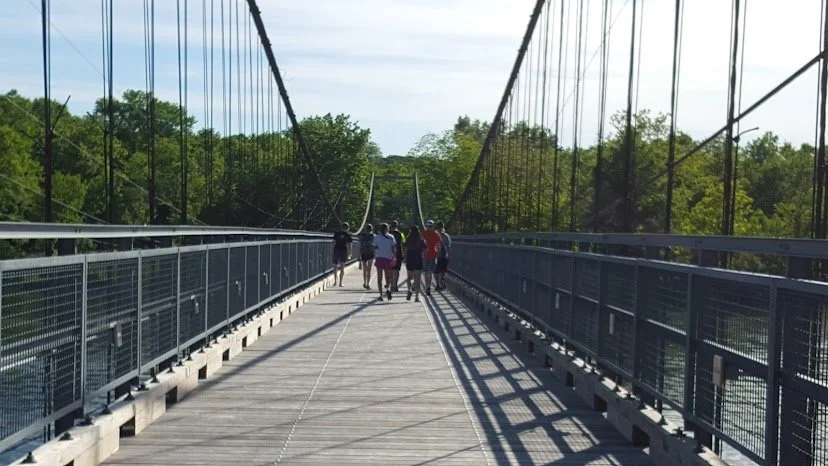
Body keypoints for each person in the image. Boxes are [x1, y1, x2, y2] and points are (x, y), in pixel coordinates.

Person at [372, 223, 397, 301]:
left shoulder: (376, 237)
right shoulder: (391, 237)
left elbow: (374, 247)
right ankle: (387, 289)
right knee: (388, 276)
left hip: (379, 258)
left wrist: (375, 255)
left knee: (379, 278)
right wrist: (394, 257)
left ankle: (380, 295)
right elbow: (393, 249)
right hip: (388, 258)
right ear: (387, 229)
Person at [404, 225, 426, 302]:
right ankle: (416, 297)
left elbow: (405, 249)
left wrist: (405, 257)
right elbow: (425, 249)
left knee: (409, 278)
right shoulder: (421, 239)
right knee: (417, 280)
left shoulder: (408, 239)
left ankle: (409, 290)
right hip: (418, 260)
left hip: (410, 259)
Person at [421, 219, 442, 296]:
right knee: (431, 272)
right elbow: (438, 246)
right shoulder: (436, 234)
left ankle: (427, 287)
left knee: (426, 272)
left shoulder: (423, 233)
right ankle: (431, 286)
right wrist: (438, 255)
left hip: (425, 254)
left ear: (426, 226)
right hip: (433, 254)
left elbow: (420, 244)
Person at [331, 222, 352, 287]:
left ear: (342, 227)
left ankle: (335, 281)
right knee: (342, 267)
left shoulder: (336, 233)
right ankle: (340, 283)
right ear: (348, 228)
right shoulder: (348, 235)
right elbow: (349, 245)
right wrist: (350, 253)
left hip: (336, 250)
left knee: (335, 266)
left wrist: (332, 251)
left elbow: (333, 242)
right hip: (343, 250)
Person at [388, 220, 406, 292]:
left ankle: (391, 285)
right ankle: (395, 285)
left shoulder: (388, 234)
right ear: (397, 225)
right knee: (396, 270)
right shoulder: (401, 234)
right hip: (398, 254)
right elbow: (402, 245)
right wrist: (403, 254)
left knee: (390, 270)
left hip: (389, 254)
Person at [358, 224, 376, 289]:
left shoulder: (362, 236)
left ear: (365, 229)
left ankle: (364, 282)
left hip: (363, 253)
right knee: (369, 269)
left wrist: (359, 258)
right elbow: (374, 246)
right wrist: (375, 255)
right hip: (370, 253)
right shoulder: (373, 236)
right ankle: (368, 284)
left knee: (364, 269)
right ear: (371, 229)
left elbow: (360, 246)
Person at [435, 221, 452, 291]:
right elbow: (448, 246)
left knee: (436, 271)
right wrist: (449, 255)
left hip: (436, 255)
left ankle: (438, 284)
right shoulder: (446, 236)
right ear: (443, 227)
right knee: (443, 270)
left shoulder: (434, 235)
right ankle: (442, 282)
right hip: (444, 255)